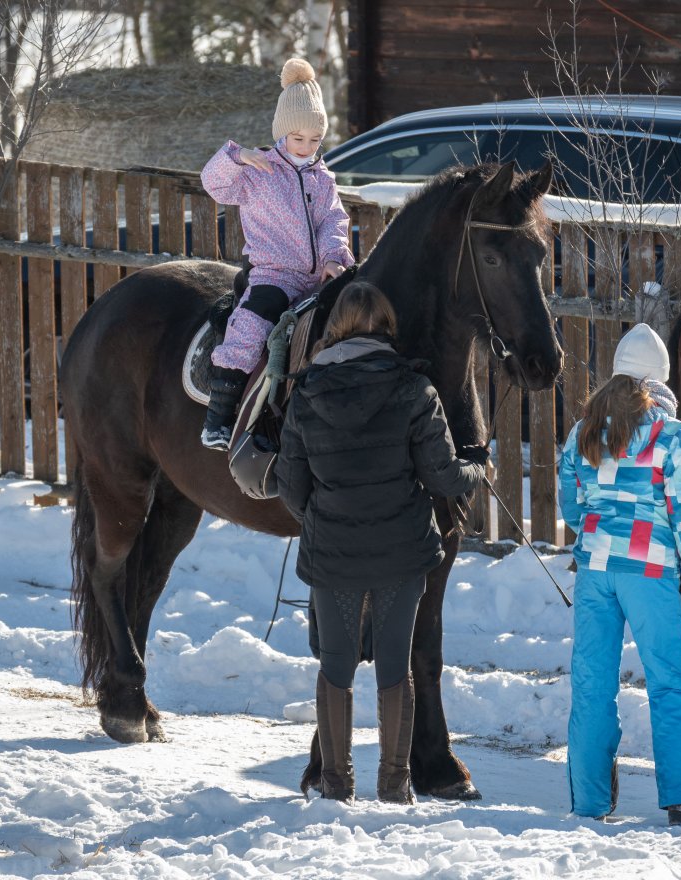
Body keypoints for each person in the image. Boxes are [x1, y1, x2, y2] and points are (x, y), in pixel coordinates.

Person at [274, 281, 487, 804]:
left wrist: (329, 517)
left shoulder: (305, 394)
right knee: (395, 667)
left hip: (332, 553)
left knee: (336, 665)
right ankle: (394, 787)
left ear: (337, 328)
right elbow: (443, 479)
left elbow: (292, 489)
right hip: (402, 550)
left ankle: (335, 783)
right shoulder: (417, 392)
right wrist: (477, 468)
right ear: (388, 327)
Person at [558, 323, 681, 827]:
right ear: (661, 379)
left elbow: (571, 504)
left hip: (594, 570)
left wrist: (597, 527)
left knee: (592, 684)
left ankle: (588, 802)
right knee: (670, 683)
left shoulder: (584, 428)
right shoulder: (672, 435)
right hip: (650, 571)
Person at [198, 57, 355, 450]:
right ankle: (218, 415)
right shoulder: (258, 170)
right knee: (252, 326)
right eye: (298, 139)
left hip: (319, 275)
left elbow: (334, 220)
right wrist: (235, 157)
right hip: (275, 275)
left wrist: (336, 257)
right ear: (283, 133)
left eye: (315, 140)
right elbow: (213, 184)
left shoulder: (322, 179)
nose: (306, 148)